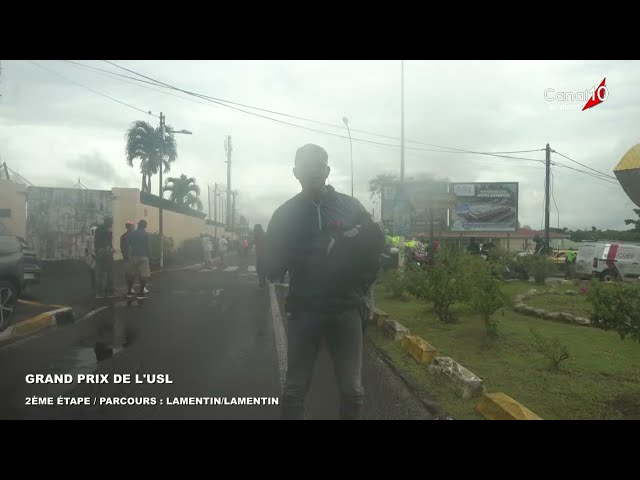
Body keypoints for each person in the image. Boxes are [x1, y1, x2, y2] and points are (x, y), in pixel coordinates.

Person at [266, 143, 385, 420]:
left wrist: (366, 296)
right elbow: (273, 266)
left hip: (346, 309)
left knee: (353, 390)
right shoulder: (285, 214)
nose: (312, 172)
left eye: (318, 166)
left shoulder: (351, 207)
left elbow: (373, 250)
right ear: (295, 172)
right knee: (295, 389)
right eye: (305, 166)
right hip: (304, 310)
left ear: (327, 170)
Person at [125, 219, 151, 297]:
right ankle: (141, 291)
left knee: (132, 274)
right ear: (145, 226)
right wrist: (149, 255)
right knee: (144, 275)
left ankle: (129, 291)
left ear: (138, 225)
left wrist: (129, 256)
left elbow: (129, 245)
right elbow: (148, 246)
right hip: (143, 256)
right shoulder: (146, 234)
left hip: (134, 256)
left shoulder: (132, 234)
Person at [94, 217, 117, 298]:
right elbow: (108, 242)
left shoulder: (98, 230)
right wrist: (110, 249)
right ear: (108, 222)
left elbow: (96, 242)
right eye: (111, 223)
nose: (112, 224)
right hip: (105, 252)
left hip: (99, 252)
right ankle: (110, 292)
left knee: (100, 274)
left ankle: (99, 293)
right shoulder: (107, 231)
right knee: (109, 272)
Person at [85, 225, 97, 290]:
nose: (93, 232)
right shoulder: (88, 238)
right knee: (92, 270)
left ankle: (97, 284)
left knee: (97, 270)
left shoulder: (98, 238)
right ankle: (93, 284)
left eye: (94, 231)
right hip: (91, 256)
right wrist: (86, 255)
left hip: (97, 256)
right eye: (92, 231)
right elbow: (86, 248)